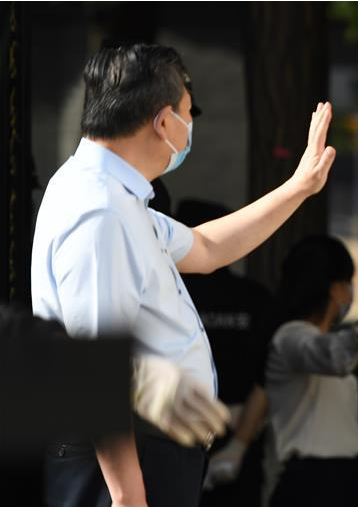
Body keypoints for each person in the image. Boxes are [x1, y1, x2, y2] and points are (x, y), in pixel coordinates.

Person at [31, 43, 336, 507]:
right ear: (162, 121)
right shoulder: (100, 210)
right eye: (188, 112)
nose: (191, 125)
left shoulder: (115, 196)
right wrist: (128, 496)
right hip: (125, 459)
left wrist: (298, 187)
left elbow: (207, 247)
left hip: (146, 450)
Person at [172, 199, 273, 507]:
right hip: (239, 433)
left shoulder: (169, 294)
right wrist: (240, 444)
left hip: (176, 432)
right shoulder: (255, 297)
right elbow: (268, 376)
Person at [263, 235, 358, 507]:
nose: (351, 292)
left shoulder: (308, 337)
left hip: (342, 478)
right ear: (335, 289)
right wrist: (353, 339)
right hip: (310, 482)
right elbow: (328, 356)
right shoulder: (290, 337)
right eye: (348, 282)